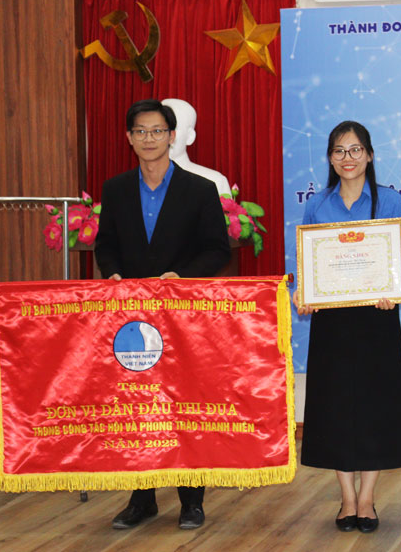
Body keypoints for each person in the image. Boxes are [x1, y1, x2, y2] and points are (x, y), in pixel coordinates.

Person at [95, 98, 231, 531]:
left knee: (185, 404)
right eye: (140, 131)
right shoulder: (116, 189)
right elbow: (105, 244)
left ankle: (192, 500)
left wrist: (182, 277)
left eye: (157, 131)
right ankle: (142, 499)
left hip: (183, 315)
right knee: (136, 407)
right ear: (129, 138)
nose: (149, 138)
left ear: (172, 136)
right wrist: (113, 273)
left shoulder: (200, 189)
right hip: (132, 319)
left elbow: (217, 249)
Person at [295, 121, 401, 535]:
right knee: (334, 409)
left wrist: (394, 287)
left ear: (369, 155)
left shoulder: (391, 201)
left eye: (355, 150)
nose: (347, 158)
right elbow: (305, 261)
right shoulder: (318, 204)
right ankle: (346, 497)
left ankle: (367, 498)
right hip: (331, 321)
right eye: (339, 151)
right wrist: (303, 292)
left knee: (374, 408)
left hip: (376, 319)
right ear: (330, 159)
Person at [163, 98, 232, 197]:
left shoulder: (214, 180)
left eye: (173, 127)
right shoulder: (142, 179)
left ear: (190, 136)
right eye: (158, 129)